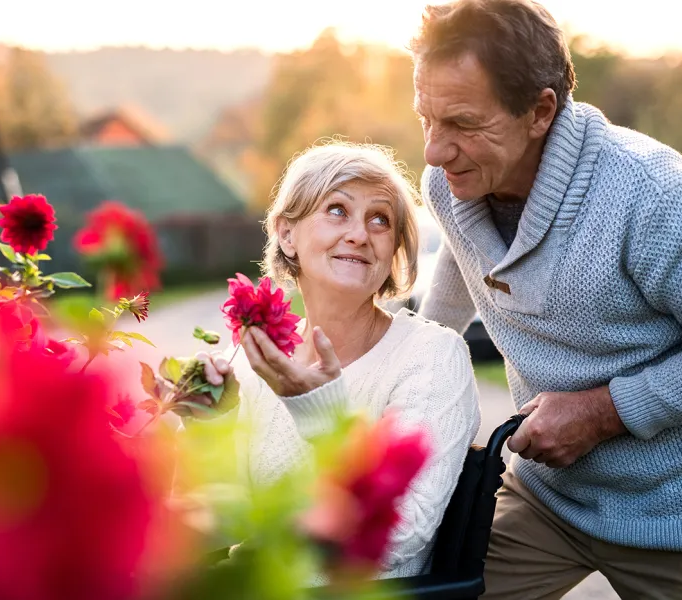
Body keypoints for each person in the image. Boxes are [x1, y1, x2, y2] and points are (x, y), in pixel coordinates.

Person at [411, 0, 682, 597]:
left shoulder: (655, 196)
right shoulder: (452, 181)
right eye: (426, 119)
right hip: (547, 500)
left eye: (462, 123)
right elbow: (461, 268)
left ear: (540, 111)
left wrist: (602, 411)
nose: (434, 150)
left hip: (677, 514)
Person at [196, 141, 480, 579]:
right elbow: (222, 513)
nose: (360, 234)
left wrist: (323, 416)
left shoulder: (432, 357)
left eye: (380, 220)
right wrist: (208, 422)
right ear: (287, 235)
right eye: (337, 210)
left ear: (393, 253)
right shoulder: (259, 357)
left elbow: (399, 533)